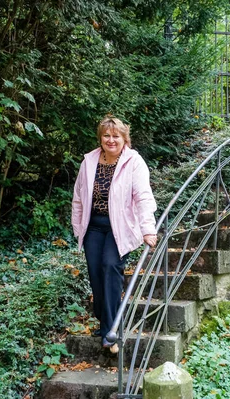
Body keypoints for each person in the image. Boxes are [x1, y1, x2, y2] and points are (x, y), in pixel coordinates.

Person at [71, 115, 157, 352]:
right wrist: (79, 228)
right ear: (100, 138)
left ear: (124, 139)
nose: (111, 140)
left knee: (110, 266)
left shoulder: (134, 162)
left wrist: (148, 228)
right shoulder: (89, 161)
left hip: (120, 228)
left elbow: (143, 197)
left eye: (116, 136)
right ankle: (105, 321)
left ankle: (111, 331)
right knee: (96, 276)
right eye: (106, 135)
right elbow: (78, 197)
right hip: (93, 227)